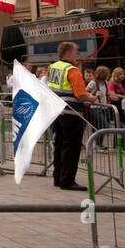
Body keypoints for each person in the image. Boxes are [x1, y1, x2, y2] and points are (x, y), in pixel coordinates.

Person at [46, 42, 97, 190]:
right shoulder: (73, 71)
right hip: (71, 113)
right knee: (71, 148)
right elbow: (80, 95)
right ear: (67, 53)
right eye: (76, 51)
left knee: (59, 145)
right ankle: (67, 181)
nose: (78, 54)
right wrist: (92, 98)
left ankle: (58, 178)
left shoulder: (53, 67)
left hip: (57, 112)